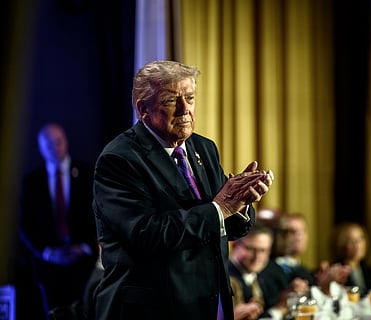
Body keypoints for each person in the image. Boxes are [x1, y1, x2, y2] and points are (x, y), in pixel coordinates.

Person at [90, 60, 274, 320]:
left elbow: (229, 227)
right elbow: (147, 233)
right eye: (170, 100)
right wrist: (221, 208)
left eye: (189, 97)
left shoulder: (204, 148)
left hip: (210, 302)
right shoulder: (119, 159)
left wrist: (241, 205)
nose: (185, 109)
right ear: (144, 109)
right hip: (152, 309)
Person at [16, 123, 98, 319]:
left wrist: (86, 247)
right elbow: (26, 225)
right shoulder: (32, 181)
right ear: (41, 148)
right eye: (49, 144)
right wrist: (48, 253)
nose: (55, 148)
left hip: (84, 264)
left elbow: (100, 215)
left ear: (66, 141)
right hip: (48, 265)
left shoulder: (87, 174)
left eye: (58, 141)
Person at [229, 223, 309, 320]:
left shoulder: (266, 275)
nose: (257, 257)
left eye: (263, 251)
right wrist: (280, 309)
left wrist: (287, 295)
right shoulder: (223, 278)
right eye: (250, 249)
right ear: (234, 245)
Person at [330, 221, 371, 298]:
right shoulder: (334, 272)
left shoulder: (370, 271)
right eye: (351, 240)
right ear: (341, 244)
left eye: (360, 239)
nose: (357, 244)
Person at [274, 212, 316, 286]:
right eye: (292, 232)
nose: (299, 238)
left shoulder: (306, 273)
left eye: (302, 231)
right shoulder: (268, 270)